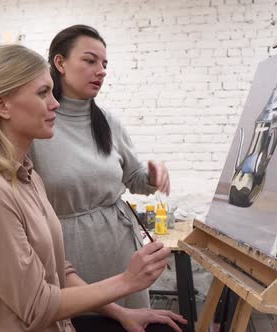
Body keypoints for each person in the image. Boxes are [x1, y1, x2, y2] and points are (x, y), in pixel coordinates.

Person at [0, 44, 185, 332]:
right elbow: (37, 306)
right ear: (2, 105)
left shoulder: (26, 177)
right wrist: (127, 282)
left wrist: (120, 312)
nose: (55, 103)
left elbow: (57, 270)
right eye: (43, 93)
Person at [30, 24, 171, 309]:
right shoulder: (36, 124)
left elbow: (134, 179)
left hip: (119, 248)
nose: (101, 70)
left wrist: (152, 177)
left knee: (131, 319)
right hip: (67, 255)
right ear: (60, 63)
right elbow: (0, 200)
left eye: (104, 64)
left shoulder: (108, 122)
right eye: (90, 60)